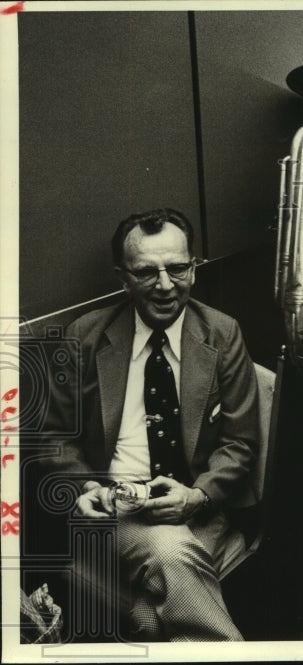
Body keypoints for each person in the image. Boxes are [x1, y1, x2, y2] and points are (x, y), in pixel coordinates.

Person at [43, 209, 259, 640]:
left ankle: (152, 627)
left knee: (150, 616)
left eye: (177, 268)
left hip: (201, 505)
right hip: (120, 507)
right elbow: (54, 439)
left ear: (193, 269)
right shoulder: (85, 335)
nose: (165, 285)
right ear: (124, 278)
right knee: (170, 552)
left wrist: (197, 496)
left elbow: (240, 442)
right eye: (146, 272)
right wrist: (87, 487)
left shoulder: (222, 333)